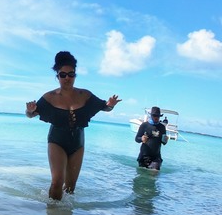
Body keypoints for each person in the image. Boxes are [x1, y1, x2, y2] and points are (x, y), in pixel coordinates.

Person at [26, 51, 121, 200]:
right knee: (57, 182)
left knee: (70, 188)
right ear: (57, 76)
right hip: (57, 141)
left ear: (75, 75)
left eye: (71, 74)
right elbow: (31, 115)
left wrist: (110, 105)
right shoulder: (49, 97)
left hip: (78, 143)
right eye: (63, 75)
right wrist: (29, 110)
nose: (67, 78)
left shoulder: (85, 95)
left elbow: (105, 107)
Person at [135, 106, 168, 170]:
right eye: (154, 115)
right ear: (151, 115)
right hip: (144, 156)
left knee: (154, 172)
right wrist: (141, 139)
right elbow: (136, 139)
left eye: (158, 116)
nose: (156, 117)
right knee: (142, 177)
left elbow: (163, 142)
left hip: (156, 157)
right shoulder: (144, 125)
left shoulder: (162, 127)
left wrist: (165, 141)